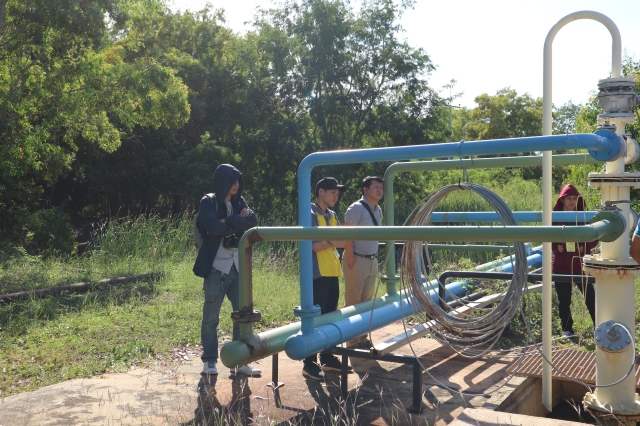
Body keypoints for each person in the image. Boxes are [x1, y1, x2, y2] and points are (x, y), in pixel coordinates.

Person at [193, 164, 261, 377]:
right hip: (216, 267)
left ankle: (239, 360)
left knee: (243, 315)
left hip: (238, 267)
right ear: (223, 181)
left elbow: (253, 222)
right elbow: (212, 227)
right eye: (232, 180)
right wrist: (237, 222)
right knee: (211, 317)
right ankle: (209, 360)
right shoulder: (208, 201)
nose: (236, 184)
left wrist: (228, 221)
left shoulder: (240, 201)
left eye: (238, 181)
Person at [303, 177, 353, 380]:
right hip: (317, 274)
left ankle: (327, 356)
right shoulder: (309, 213)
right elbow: (314, 245)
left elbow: (343, 242)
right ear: (320, 192)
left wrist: (330, 240)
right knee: (315, 318)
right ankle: (309, 362)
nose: (336, 196)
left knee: (330, 316)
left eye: (337, 193)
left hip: (332, 271)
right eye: (333, 192)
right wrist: (333, 239)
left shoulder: (332, 215)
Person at [342, 176, 383, 349]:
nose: (380, 190)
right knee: (353, 302)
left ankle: (363, 338)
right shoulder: (356, 208)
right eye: (376, 187)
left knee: (367, 303)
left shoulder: (378, 209)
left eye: (381, 187)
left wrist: (375, 257)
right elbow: (346, 236)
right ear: (365, 190)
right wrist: (352, 261)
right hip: (357, 259)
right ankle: (352, 341)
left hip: (371, 261)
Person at [551, 184, 597, 339]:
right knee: (564, 301)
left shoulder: (583, 216)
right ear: (562, 200)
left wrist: (585, 246)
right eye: (569, 198)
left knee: (591, 298)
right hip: (561, 265)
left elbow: (595, 235)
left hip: (580, 265)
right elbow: (546, 236)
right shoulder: (554, 217)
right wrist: (556, 247)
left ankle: (599, 328)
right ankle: (567, 330)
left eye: (574, 198)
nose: (572, 201)